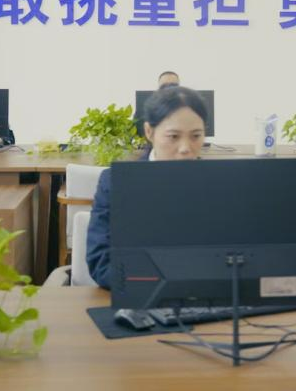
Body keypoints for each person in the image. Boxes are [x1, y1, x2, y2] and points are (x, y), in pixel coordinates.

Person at [87, 86, 208, 289]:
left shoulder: (216, 183)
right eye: (173, 136)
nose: (185, 148)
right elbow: (101, 263)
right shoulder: (116, 182)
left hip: (205, 296)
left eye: (196, 136)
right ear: (149, 132)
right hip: (142, 295)